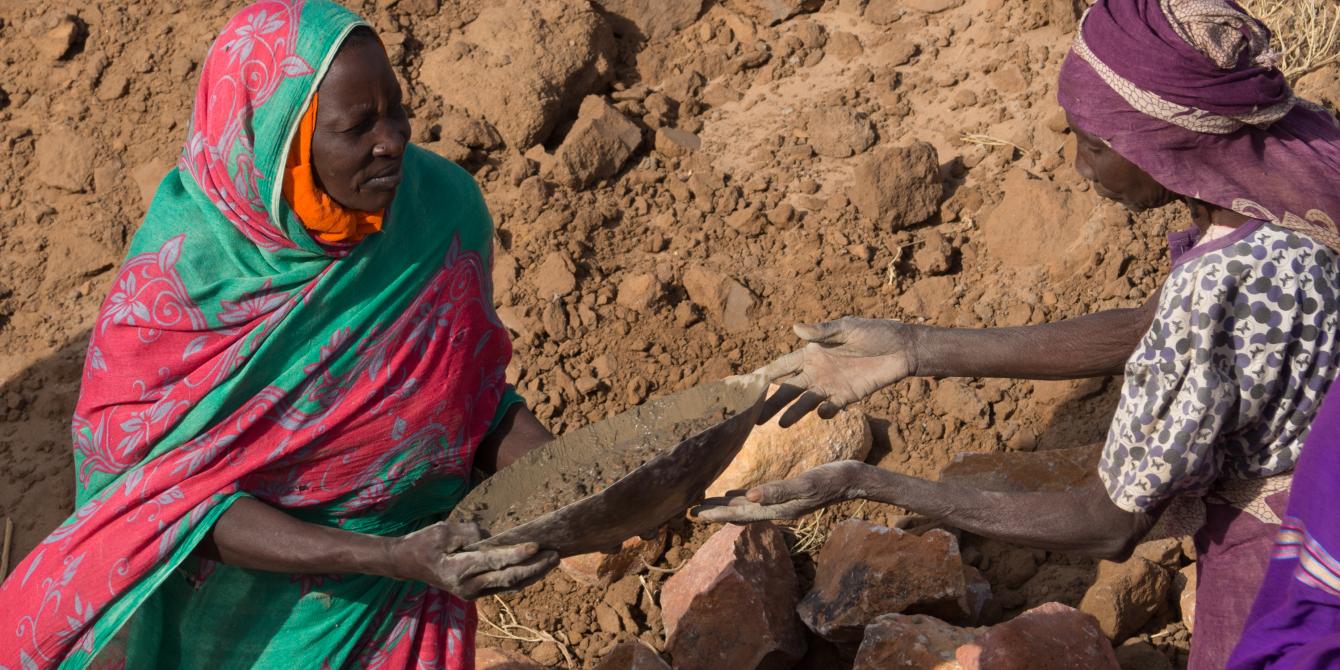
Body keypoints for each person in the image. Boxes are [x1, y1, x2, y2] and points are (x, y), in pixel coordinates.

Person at [697, 1, 1340, 668]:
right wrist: (912, 347)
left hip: (1281, 570)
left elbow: (1108, 524)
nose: (1080, 167)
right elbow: (1147, 329)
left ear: (1164, 144)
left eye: (1095, 145)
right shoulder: (1300, 183)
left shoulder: (1215, 288)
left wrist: (872, 484)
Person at [0, 1, 559, 667]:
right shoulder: (183, 288)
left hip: (407, 600)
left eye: (397, 110)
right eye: (358, 127)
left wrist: (580, 486)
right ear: (277, 141)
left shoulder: (438, 212)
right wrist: (387, 558)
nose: (394, 139)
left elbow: (467, 401)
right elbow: (164, 505)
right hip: (248, 623)